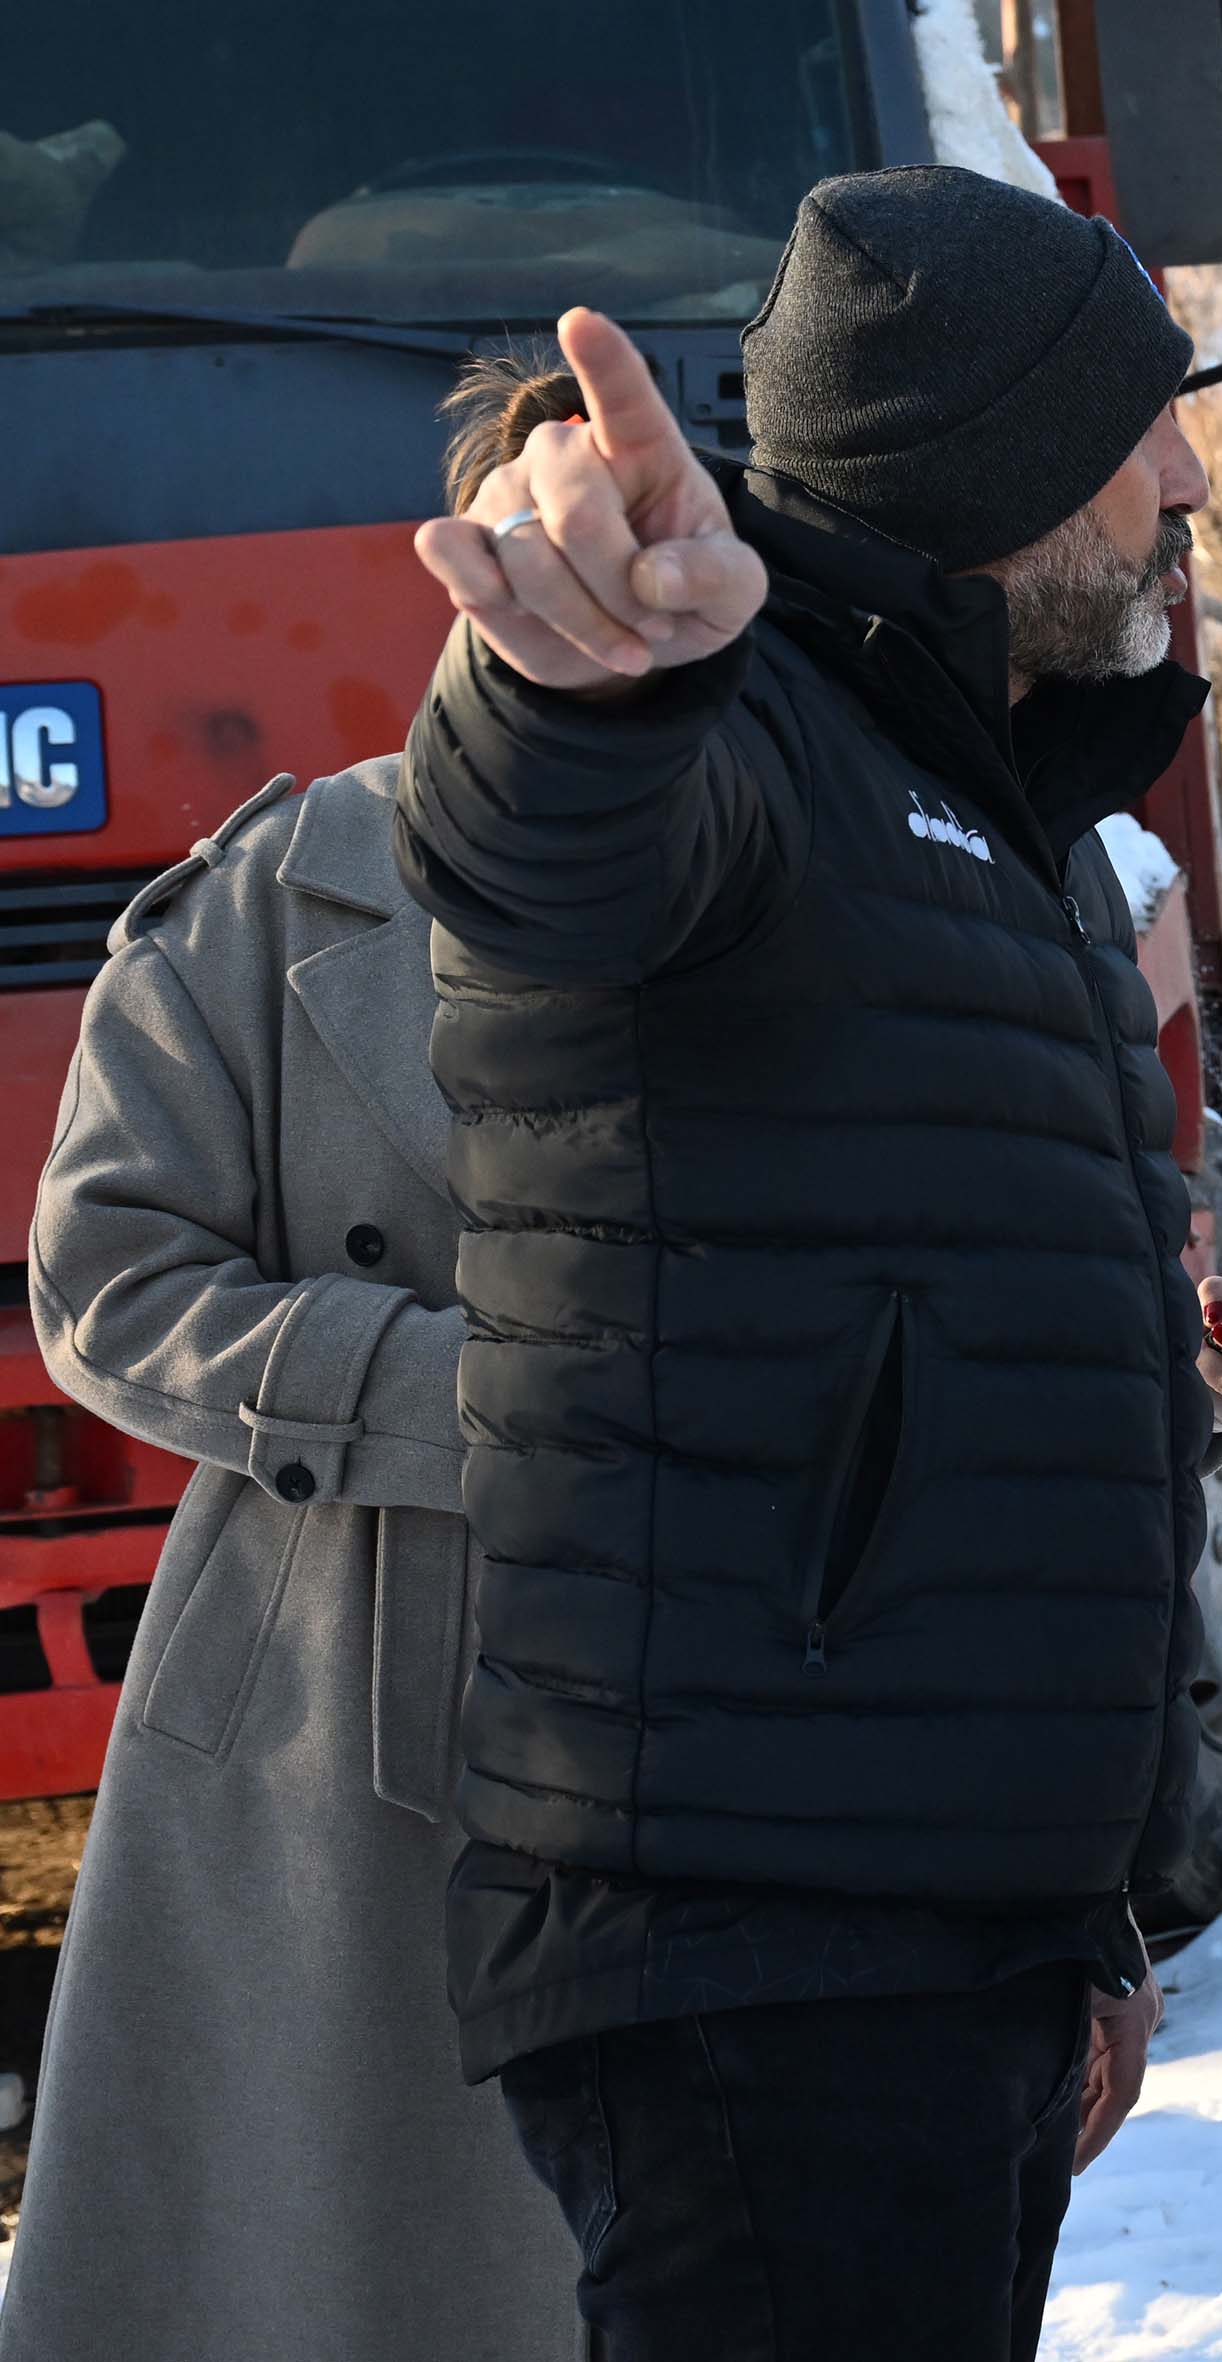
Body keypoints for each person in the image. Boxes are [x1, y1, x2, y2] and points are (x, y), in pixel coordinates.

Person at [393, 166, 1222, 2359]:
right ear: (994, 455)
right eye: (1143, 426)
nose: (1186, 475)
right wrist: (578, 695)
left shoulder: (997, 825)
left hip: (933, 1924)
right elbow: (543, 845)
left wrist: (1075, 1907)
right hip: (754, 1932)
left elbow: (951, 1383)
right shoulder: (742, 735)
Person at [0, 358, 591, 2362]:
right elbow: (100, 1278)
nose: (572, 568)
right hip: (332, 1721)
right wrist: (464, 1391)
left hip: (711, 1716)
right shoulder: (272, 894)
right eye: (532, 524)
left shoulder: (802, 896)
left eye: (628, 521)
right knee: (327, 2268)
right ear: (461, 564)